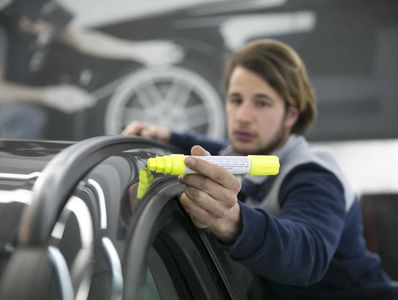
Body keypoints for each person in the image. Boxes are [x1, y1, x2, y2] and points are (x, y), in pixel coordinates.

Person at [123, 39, 398, 299]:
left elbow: (306, 256)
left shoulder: (315, 176)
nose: (242, 116)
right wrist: (168, 137)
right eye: (236, 99)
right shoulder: (249, 153)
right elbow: (217, 148)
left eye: (261, 103)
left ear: (290, 115)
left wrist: (234, 222)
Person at [0, 0, 183, 139]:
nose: (53, 29)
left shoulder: (42, 27)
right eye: (47, 23)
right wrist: (48, 96)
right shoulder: (3, 34)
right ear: (25, 21)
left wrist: (138, 51)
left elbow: (82, 39)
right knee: (30, 117)